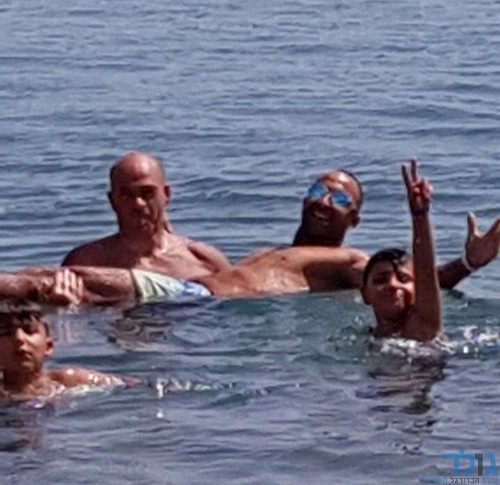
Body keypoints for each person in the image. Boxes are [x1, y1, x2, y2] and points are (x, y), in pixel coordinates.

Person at [289, 168, 500, 290]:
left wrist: (467, 264)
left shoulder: (344, 262)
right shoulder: (279, 251)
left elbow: (410, 282)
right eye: (317, 191)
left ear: (354, 221)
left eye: (339, 199)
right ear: (304, 200)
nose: (323, 202)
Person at [61, 152, 231, 280]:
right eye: (127, 195)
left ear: (166, 195)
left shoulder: (204, 261)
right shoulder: (85, 263)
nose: (138, 204)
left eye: (147, 193)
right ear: (112, 201)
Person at [361, 161, 441, 342]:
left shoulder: (421, 327)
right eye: (380, 280)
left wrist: (420, 216)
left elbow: (426, 272)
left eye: (404, 279)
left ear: (417, 290)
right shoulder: (364, 337)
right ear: (365, 295)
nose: (393, 285)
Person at [0, 303, 128, 401]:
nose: (19, 339)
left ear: (48, 347)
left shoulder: (72, 381)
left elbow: (129, 384)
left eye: (29, 331)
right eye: (6, 333)